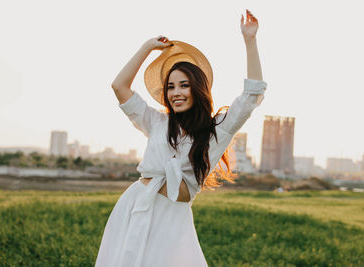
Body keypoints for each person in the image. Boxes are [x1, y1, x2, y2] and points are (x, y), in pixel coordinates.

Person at [95, 9, 267, 267]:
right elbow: (119, 87)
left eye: (184, 85)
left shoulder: (216, 130)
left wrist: (250, 41)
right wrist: (146, 47)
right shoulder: (156, 122)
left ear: (197, 89)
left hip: (172, 217)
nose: (176, 92)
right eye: (171, 87)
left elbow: (251, 96)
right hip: (135, 206)